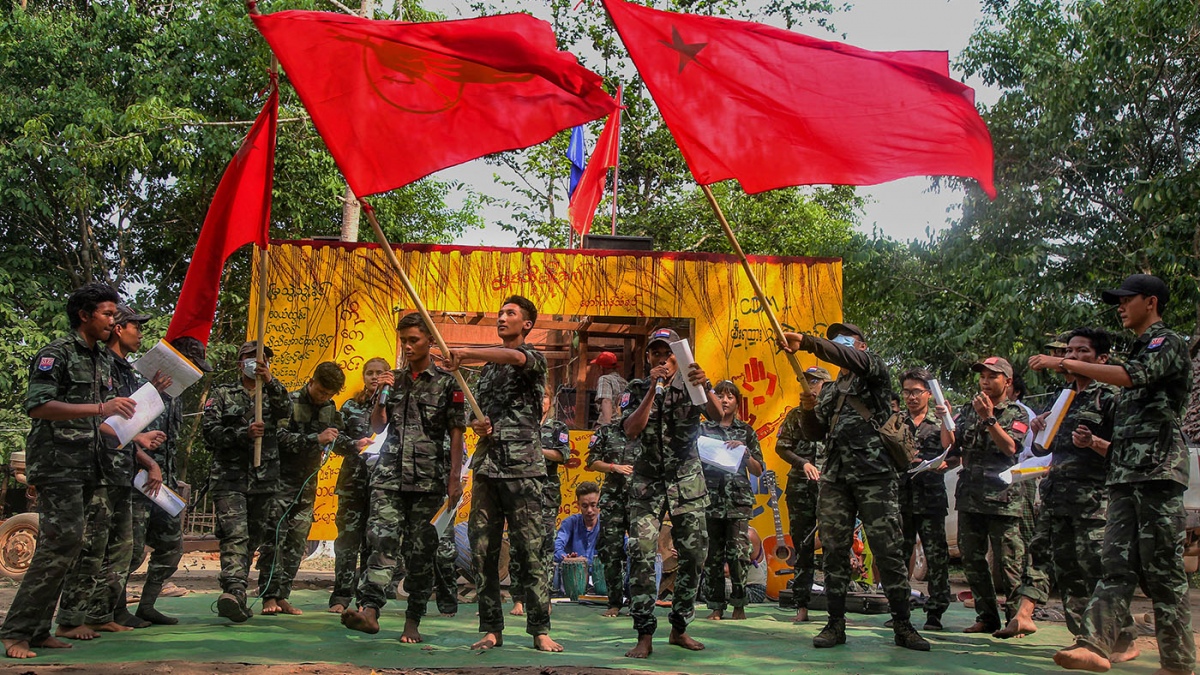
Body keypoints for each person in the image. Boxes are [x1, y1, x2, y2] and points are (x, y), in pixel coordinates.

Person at [1039, 275, 1195, 675]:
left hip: (1158, 473)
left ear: (1152, 302)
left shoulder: (1166, 343)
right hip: (1124, 476)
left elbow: (1132, 376)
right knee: (1113, 563)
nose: (1120, 306)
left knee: (1162, 571)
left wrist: (1062, 361)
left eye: (1127, 300)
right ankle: (1093, 645)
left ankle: (1177, 663)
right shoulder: (1139, 349)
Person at [0, 284, 138, 659]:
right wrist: (99, 409)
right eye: (108, 314)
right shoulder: (56, 354)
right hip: (57, 464)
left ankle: (40, 629)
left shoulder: (104, 361)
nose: (114, 321)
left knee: (72, 545)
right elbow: (38, 406)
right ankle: (15, 632)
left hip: (90, 465)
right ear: (84, 315)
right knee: (59, 543)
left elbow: (103, 419)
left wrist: (133, 433)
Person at [780, 323, 929, 651]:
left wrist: (807, 342)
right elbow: (815, 432)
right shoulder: (832, 391)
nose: (840, 346)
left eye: (846, 342)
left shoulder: (873, 371)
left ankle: (903, 626)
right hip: (835, 479)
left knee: (888, 551)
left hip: (875, 477)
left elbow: (848, 356)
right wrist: (807, 410)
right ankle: (835, 624)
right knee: (833, 552)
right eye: (836, 341)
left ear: (860, 346)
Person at [445, 296, 561, 652]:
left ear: (527, 324)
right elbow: (474, 416)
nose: (502, 318)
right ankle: (492, 627)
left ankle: (540, 629)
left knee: (531, 551)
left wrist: (464, 352)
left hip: (523, 468)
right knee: (483, 552)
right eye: (500, 313)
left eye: (510, 314)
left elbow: (513, 356)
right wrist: (478, 424)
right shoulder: (488, 372)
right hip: (487, 469)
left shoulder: (532, 358)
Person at [341, 313, 464, 644]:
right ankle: (370, 610)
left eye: (414, 340)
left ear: (429, 341)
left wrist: (455, 478)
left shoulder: (448, 382)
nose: (408, 347)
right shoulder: (391, 381)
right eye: (404, 341)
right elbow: (378, 426)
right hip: (389, 476)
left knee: (421, 553)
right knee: (379, 543)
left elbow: (456, 433)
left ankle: (413, 621)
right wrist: (381, 394)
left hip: (429, 480)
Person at [55, 304, 169, 639]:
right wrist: (144, 452)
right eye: (136, 325)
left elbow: (121, 423)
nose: (141, 333)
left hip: (120, 469)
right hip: (97, 467)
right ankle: (72, 617)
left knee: (121, 548)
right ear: (118, 328)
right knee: (92, 548)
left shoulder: (123, 370)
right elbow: (98, 419)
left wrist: (141, 435)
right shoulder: (99, 365)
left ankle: (100, 613)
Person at [1022, 328, 1137, 657]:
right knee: (1067, 568)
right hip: (1059, 496)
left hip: (1093, 501)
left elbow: (1125, 453)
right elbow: (1045, 449)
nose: (1071, 358)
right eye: (1068, 351)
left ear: (1102, 360)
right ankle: (1083, 636)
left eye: (1081, 352)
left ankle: (1124, 637)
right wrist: (1039, 430)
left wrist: (1094, 443)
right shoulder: (1063, 397)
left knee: (1096, 569)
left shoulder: (1111, 398)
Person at [620, 327, 721, 659]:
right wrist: (653, 388)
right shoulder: (637, 388)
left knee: (694, 555)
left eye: (668, 354)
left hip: (687, 480)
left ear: (680, 357)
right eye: (655, 354)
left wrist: (704, 385)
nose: (662, 360)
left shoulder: (694, 384)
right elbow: (631, 430)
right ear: (648, 357)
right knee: (642, 554)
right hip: (648, 481)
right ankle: (644, 633)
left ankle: (679, 628)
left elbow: (719, 417)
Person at [202, 340, 291, 623]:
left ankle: (239, 591)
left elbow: (287, 412)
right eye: (250, 358)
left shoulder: (273, 393)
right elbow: (210, 433)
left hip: (264, 480)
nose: (256, 362)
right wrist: (243, 434)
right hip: (230, 479)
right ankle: (234, 590)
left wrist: (271, 382)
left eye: (262, 358)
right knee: (234, 536)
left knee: (253, 538)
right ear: (240, 362)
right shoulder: (223, 393)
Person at [129, 335, 212, 626]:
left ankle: (147, 604)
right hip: (135, 482)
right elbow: (119, 435)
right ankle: (109, 607)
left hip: (161, 486)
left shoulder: (174, 396)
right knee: (131, 550)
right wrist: (149, 464)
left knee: (171, 546)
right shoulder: (137, 388)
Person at [264, 362, 358, 616]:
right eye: (321, 391)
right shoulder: (290, 402)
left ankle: (283, 595)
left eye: (329, 394)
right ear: (312, 381)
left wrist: (356, 445)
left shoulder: (329, 408)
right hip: (280, 481)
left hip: (307, 485)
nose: (323, 397)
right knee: (276, 538)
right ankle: (268, 595)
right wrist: (314, 439)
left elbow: (336, 439)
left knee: (297, 540)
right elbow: (277, 438)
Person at [945, 356, 1029, 635]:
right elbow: (952, 449)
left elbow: (1010, 448)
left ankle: (1016, 619)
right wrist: (946, 421)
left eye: (993, 376)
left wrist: (989, 419)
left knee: (1009, 562)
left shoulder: (1017, 413)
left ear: (1007, 381)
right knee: (971, 558)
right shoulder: (967, 411)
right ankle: (987, 617)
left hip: (1003, 498)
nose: (985, 381)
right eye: (982, 376)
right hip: (970, 495)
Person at [895, 368, 955, 631]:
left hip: (931, 498)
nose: (911, 397)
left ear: (928, 394)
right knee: (899, 555)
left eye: (916, 391)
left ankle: (935, 613)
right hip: (902, 497)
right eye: (907, 391)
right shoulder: (896, 422)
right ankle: (899, 609)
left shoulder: (939, 419)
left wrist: (946, 419)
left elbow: (952, 451)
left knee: (936, 556)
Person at [329, 357, 390, 613]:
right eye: (370, 373)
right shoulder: (350, 406)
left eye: (380, 373)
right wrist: (354, 444)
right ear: (363, 376)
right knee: (347, 541)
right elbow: (333, 437)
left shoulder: (395, 407)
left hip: (382, 485)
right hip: (353, 481)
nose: (374, 378)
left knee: (373, 542)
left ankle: (367, 600)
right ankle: (341, 597)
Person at [700, 380, 764, 621]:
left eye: (730, 397)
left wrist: (745, 453)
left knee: (738, 554)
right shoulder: (704, 430)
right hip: (710, 499)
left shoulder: (746, 431)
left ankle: (739, 604)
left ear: (737, 402)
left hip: (738, 501)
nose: (725, 401)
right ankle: (716, 606)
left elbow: (758, 470)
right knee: (713, 555)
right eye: (720, 396)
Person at [774, 366, 831, 622]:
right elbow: (782, 447)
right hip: (800, 486)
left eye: (815, 382)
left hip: (831, 488)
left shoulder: (835, 415)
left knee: (834, 545)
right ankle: (801, 605)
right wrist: (803, 463)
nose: (810, 386)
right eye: (806, 381)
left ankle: (835, 608)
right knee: (803, 545)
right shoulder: (795, 416)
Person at [510, 392, 569, 616]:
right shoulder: (520, 423)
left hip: (546, 493)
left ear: (550, 401)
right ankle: (518, 598)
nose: (540, 400)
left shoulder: (557, 427)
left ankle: (544, 597)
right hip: (521, 491)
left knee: (545, 545)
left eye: (544, 396)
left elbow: (563, 455)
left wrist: (536, 450)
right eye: (537, 395)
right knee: (518, 545)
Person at [586, 419, 638, 617]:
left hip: (638, 499)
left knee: (640, 551)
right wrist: (613, 467)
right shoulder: (607, 431)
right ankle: (614, 602)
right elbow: (592, 461)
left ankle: (637, 602)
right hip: (613, 500)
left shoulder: (647, 429)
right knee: (611, 551)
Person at [554, 481, 602, 566]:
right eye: (585, 506)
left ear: (599, 503)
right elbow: (556, 546)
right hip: (575, 576)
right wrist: (566, 558)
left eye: (593, 505)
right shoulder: (570, 523)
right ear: (578, 505)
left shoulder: (608, 524)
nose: (589, 510)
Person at [592, 351, 627, 426]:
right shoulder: (625, 382)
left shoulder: (605, 379)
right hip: (622, 424)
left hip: (610, 424)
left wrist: (607, 426)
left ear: (601, 367)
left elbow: (606, 401)